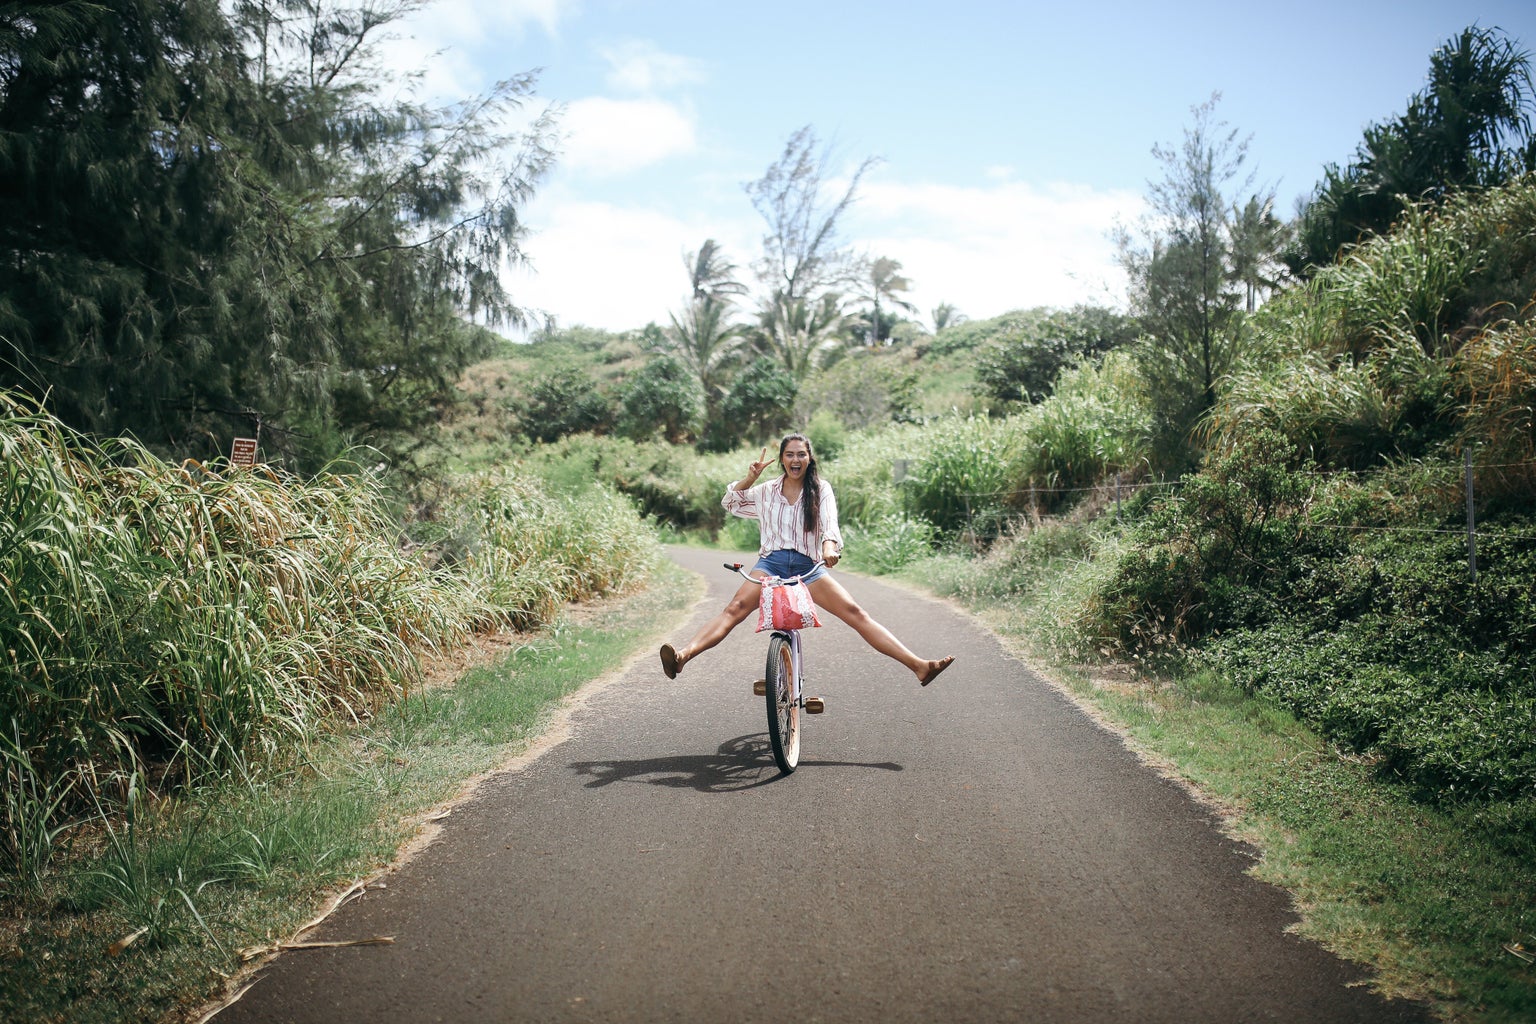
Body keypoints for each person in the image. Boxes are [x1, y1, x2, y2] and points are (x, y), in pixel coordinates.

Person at [659, 433, 954, 686]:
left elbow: (830, 525)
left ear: (809, 458)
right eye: (789, 454)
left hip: (808, 566)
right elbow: (731, 503)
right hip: (771, 563)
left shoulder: (820, 490)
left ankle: (919, 666)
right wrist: (750, 478)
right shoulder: (765, 492)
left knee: (856, 613)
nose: (795, 459)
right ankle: (683, 656)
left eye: (801, 454)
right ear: (782, 459)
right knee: (734, 609)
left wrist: (829, 549)